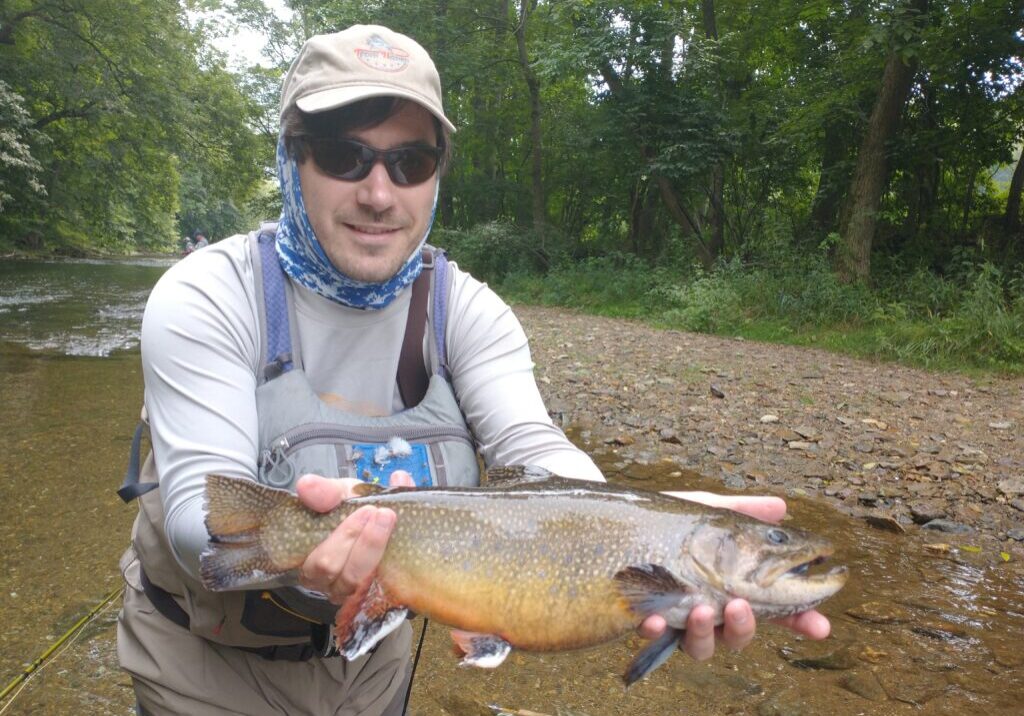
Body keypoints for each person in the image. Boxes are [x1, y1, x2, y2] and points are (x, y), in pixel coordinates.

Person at [116, 24, 830, 716]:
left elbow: (536, 452)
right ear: (291, 159)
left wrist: (655, 528)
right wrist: (301, 535)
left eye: (410, 163)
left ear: (435, 176)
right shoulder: (207, 293)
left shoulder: (468, 311)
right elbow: (198, 526)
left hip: (372, 666)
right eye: (343, 155)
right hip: (203, 668)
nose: (378, 192)